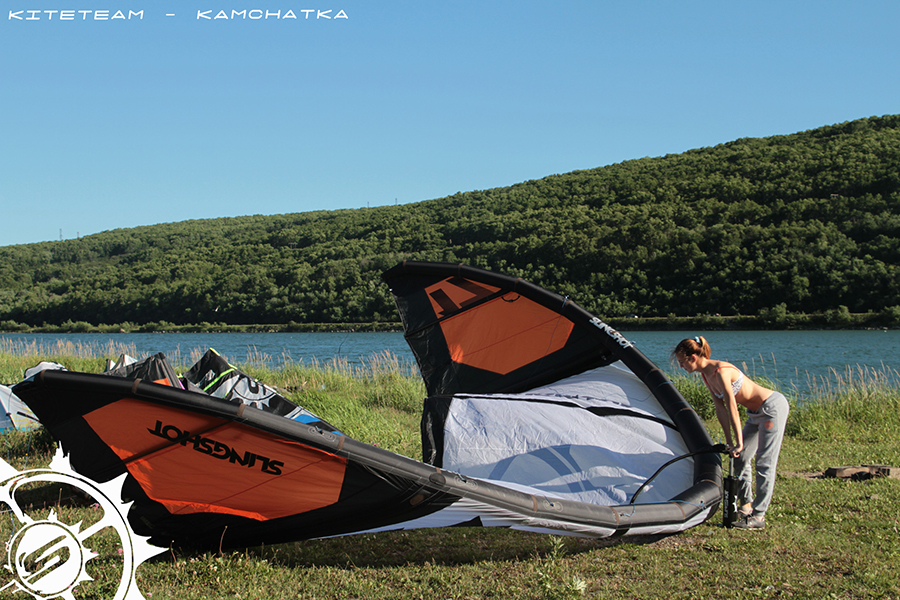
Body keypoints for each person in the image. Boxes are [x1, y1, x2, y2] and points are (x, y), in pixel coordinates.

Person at [673, 336, 789, 530]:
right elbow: (721, 410)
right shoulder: (706, 375)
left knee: (764, 462)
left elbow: (732, 407)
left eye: (682, 362)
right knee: (741, 458)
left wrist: (740, 441)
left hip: (771, 409)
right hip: (754, 413)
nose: (681, 367)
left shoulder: (721, 371)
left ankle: (759, 516)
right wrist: (730, 442)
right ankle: (746, 506)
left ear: (693, 357)